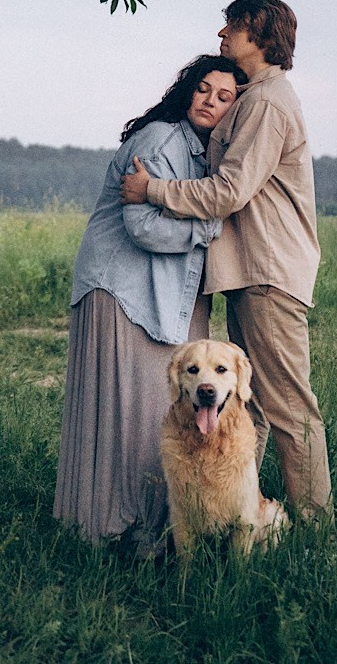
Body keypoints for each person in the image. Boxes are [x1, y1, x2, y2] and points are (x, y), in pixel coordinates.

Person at [121, 0, 332, 520]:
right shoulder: (255, 98)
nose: (222, 37)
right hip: (251, 271)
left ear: (258, 34)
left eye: (231, 28)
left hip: (268, 272)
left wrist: (154, 191)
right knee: (249, 408)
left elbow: (229, 191)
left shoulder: (265, 103)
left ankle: (318, 532)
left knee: (288, 408)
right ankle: (241, 519)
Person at [53, 53, 245, 553]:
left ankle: (149, 531)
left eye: (225, 98)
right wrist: (208, 227)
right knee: (125, 412)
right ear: (187, 89)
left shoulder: (204, 155)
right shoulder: (161, 139)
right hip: (123, 288)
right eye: (204, 89)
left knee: (149, 412)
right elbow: (142, 226)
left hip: (157, 289)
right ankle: (110, 532)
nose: (211, 102)